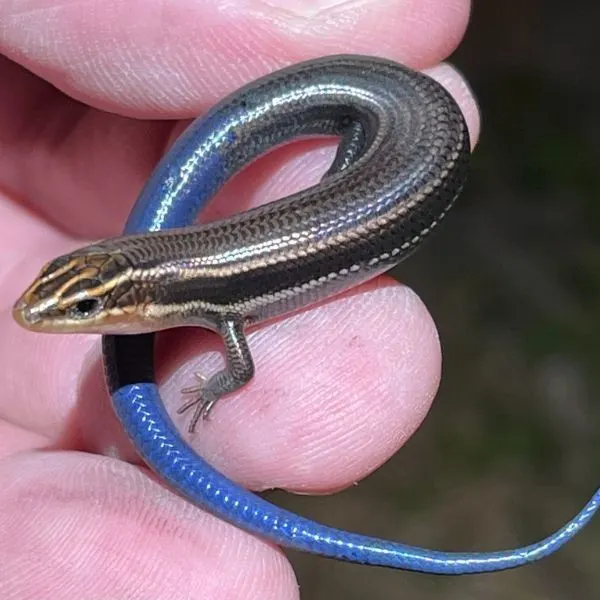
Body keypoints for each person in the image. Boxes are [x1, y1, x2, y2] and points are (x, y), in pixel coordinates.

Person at [0, 1, 479, 597]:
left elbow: (241, 367)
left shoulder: (218, 304)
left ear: (135, 303)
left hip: (412, 144)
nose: (41, 316)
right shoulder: (200, 295)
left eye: (84, 309)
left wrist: (216, 387)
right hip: (387, 113)